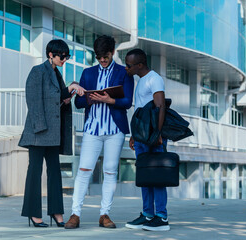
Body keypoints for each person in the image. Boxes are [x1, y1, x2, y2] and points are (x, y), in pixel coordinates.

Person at [64, 35, 134, 229]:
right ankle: (75, 214)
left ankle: (105, 214)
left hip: (115, 130)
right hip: (92, 129)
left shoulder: (123, 73)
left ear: (112, 53)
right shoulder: (88, 73)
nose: (102, 60)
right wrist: (91, 99)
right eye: (99, 57)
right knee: (84, 170)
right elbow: (78, 103)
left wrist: (109, 101)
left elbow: (127, 101)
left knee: (110, 172)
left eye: (106, 56)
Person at [18, 39, 85, 228]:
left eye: (66, 57)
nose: (64, 59)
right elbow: (33, 101)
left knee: (55, 172)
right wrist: (40, 128)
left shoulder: (56, 74)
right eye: (62, 56)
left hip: (54, 133)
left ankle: (56, 212)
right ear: (51, 55)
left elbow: (55, 100)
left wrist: (66, 96)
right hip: (39, 132)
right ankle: (33, 213)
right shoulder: (38, 72)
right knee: (35, 172)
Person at [124, 49, 170, 231]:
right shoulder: (141, 81)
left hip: (153, 136)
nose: (126, 68)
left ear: (140, 65)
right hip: (142, 136)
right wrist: (134, 135)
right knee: (145, 176)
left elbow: (160, 106)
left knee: (157, 176)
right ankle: (148, 214)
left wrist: (158, 134)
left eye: (129, 65)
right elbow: (140, 112)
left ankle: (161, 217)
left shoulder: (154, 79)